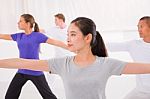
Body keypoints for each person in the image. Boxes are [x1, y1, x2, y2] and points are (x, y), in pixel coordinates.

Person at [1, 17, 150, 99]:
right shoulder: (62, 64)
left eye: (73, 34)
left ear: (87, 38)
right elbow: (21, 62)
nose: (68, 39)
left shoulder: (105, 64)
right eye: (68, 35)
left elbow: (144, 67)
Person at [0, 14, 68, 99]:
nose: (18, 23)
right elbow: (2, 36)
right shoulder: (19, 36)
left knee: (48, 96)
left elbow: (55, 42)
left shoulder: (37, 36)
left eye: (21, 21)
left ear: (28, 23)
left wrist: (70, 48)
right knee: (10, 96)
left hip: (35, 71)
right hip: (22, 71)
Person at [106, 16, 150, 99]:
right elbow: (111, 46)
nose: (139, 30)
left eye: (141, 26)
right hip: (141, 91)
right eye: (138, 27)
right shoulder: (133, 45)